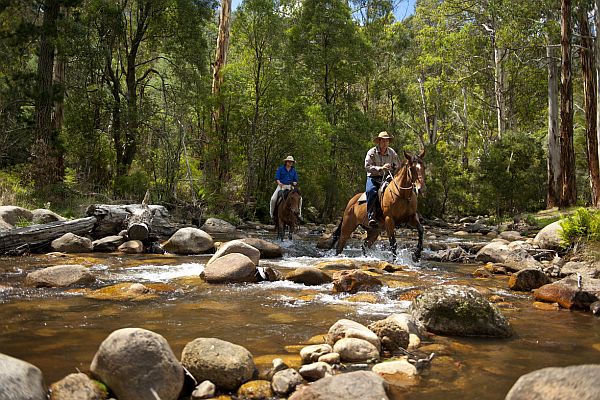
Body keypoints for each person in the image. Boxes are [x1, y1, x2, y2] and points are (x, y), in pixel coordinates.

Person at [364, 131, 400, 227]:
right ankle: (371, 216)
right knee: (371, 191)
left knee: (399, 191)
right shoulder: (371, 152)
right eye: (383, 141)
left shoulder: (392, 153)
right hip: (373, 177)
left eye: (387, 141)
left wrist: (393, 167)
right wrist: (380, 168)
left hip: (388, 177)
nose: (385, 143)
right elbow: (367, 167)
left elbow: (398, 165)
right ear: (379, 141)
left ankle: (400, 215)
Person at [270, 155, 303, 222]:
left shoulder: (293, 171)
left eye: (291, 162)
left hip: (290, 187)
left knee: (300, 199)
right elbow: (277, 178)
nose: (290, 163)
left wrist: (294, 183)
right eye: (289, 161)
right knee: (273, 199)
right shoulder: (281, 169)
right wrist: (279, 183)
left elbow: (295, 180)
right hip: (281, 186)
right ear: (286, 162)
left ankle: (299, 214)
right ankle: (272, 215)